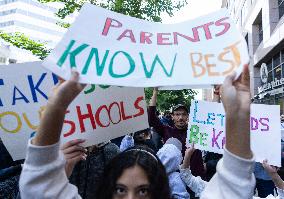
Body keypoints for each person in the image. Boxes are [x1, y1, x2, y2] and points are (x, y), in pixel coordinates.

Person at [19, 71, 171, 199]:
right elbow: (38, 188)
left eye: (143, 191)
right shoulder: (70, 156)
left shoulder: (111, 150)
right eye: (121, 190)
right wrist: (56, 106)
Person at [148, 89, 206, 181]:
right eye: (177, 114)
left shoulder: (195, 131)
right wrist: (155, 92)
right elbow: (151, 117)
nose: (181, 118)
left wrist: (216, 94)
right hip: (175, 181)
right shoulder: (166, 130)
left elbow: (213, 124)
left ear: (188, 116)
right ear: (172, 116)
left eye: (183, 114)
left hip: (196, 179)